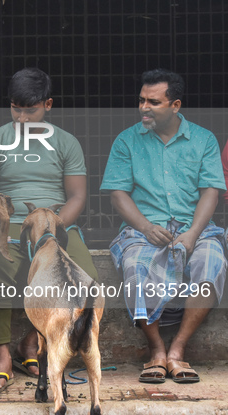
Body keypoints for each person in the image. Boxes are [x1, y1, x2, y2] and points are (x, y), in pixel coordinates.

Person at [100, 69, 227, 384]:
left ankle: (178, 350)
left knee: (211, 262)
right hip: (143, 230)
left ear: (175, 105)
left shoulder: (203, 140)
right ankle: (156, 350)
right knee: (134, 266)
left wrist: (192, 235)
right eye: (141, 100)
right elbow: (117, 194)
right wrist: (145, 227)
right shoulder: (126, 140)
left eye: (153, 102)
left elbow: (211, 190)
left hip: (196, 228)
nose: (144, 107)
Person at [0, 68, 98, 393]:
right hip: (12, 226)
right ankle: (2, 357)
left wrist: (53, 230)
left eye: (29, 109)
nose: (21, 117)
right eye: (16, 108)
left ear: (48, 104)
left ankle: (31, 344)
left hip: (56, 227)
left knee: (85, 278)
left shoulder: (65, 143)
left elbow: (77, 197)